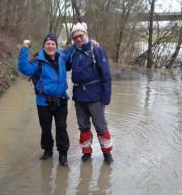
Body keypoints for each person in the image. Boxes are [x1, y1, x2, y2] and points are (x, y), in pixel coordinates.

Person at [18, 33, 70, 166]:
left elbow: (76, 48)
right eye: (48, 44)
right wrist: (24, 48)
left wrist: (92, 44)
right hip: (43, 102)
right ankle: (48, 150)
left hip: (61, 100)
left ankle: (63, 153)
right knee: (45, 128)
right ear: (44, 46)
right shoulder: (38, 61)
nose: (51, 46)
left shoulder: (63, 57)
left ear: (56, 46)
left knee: (61, 127)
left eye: (53, 44)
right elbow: (24, 68)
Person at [67, 22, 114, 164]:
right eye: (75, 37)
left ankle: (107, 154)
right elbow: (62, 63)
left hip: (95, 96)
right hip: (79, 96)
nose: (78, 39)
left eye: (81, 36)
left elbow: (106, 75)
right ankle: (86, 153)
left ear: (86, 35)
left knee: (100, 126)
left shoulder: (97, 51)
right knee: (83, 127)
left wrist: (106, 97)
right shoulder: (73, 53)